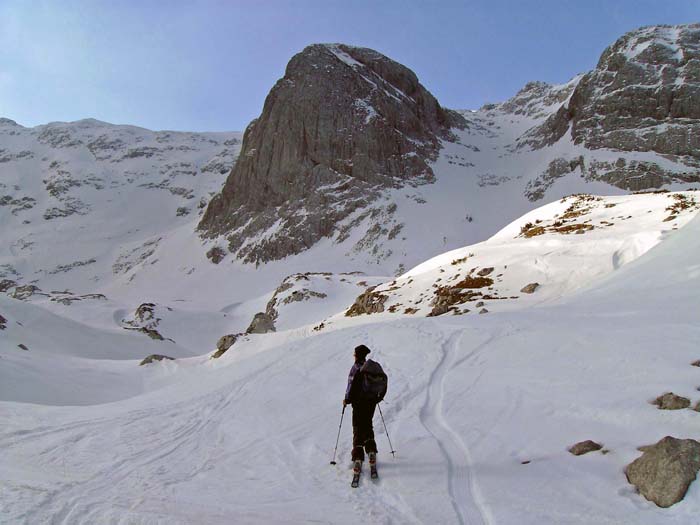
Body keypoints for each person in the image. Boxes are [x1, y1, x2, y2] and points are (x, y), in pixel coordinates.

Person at [343, 344, 378, 466]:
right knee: (368, 425)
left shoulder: (356, 367)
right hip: (371, 402)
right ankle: (371, 450)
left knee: (358, 427)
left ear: (357, 355)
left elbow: (350, 385)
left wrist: (346, 399)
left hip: (358, 403)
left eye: (355, 353)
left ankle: (358, 456)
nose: (353, 355)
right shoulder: (369, 367)